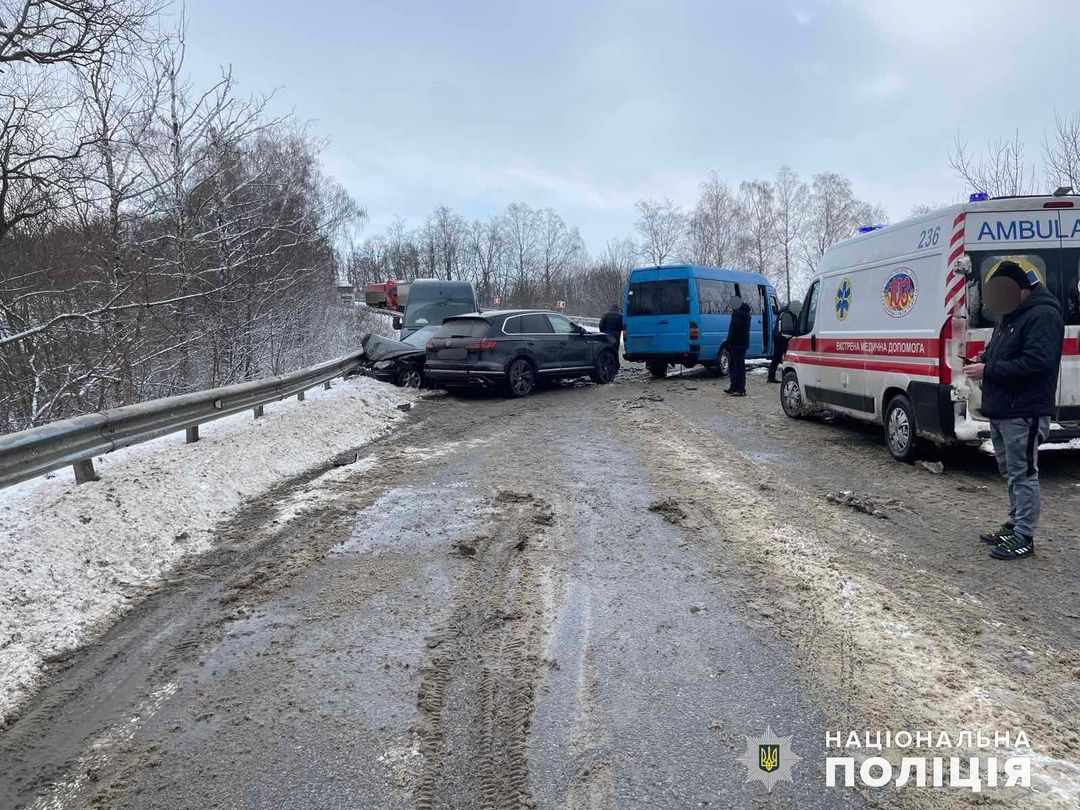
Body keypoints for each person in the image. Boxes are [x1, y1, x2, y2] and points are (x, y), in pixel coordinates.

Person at [962, 260, 1064, 561]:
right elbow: (1006, 350)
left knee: (1023, 473)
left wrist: (989, 369)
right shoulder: (1010, 314)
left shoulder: (1043, 315)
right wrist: (985, 356)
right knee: (1010, 471)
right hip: (1003, 408)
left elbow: (1037, 363)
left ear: (1021, 289)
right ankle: (1015, 523)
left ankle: (1024, 536)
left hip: (1024, 409)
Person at [724, 295, 751, 397]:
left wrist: (728, 341)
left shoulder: (737, 315)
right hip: (743, 343)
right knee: (738, 366)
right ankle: (736, 387)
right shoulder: (746, 314)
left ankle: (738, 388)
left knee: (736, 367)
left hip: (736, 344)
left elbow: (733, 330)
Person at [767, 304, 792, 383]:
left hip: (778, 336)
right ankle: (784, 377)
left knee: (776, 357)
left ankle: (771, 376)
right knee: (785, 357)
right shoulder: (787, 314)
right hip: (782, 337)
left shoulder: (782, 312)